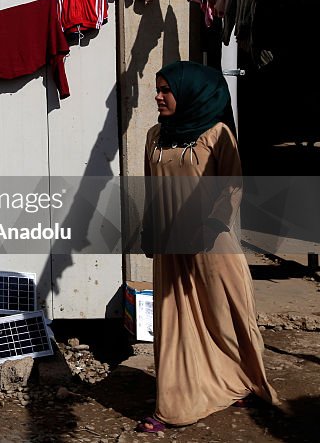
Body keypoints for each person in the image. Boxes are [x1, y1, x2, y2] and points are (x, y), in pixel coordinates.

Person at [137, 60, 278, 432]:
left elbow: (232, 186)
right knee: (176, 324)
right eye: (158, 88)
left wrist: (212, 225)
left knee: (224, 318)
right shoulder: (155, 136)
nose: (159, 96)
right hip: (171, 249)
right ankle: (174, 406)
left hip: (212, 245)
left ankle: (238, 379)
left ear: (189, 93)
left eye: (166, 90)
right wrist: (149, 230)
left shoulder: (217, 134)